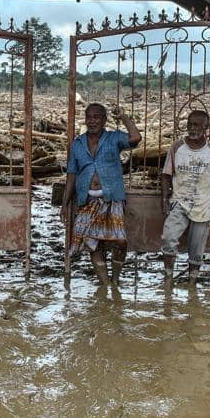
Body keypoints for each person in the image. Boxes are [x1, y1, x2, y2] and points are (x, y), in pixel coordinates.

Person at [61, 102, 141, 287]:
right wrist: (65, 204)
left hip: (112, 198)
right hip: (88, 200)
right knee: (92, 243)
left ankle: (115, 280)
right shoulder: (77, 144)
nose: (92, 121)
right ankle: (106, 284)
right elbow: (71, 175)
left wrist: (123, 116)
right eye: (89, 117)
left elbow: (136, 138)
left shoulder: (114, 139)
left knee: (120, 241)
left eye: (97, 117)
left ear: (104, 120)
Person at [160, 110, 210, 286]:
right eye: (190, 124)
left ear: (206, 127)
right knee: (169, 238)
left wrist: (207, 191)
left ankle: (192, 283)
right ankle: (168, 278)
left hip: (203, 205)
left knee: (196, 250)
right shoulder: (177, 147)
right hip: (179, 202)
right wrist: (164, 199)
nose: (192, 128)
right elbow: (166, 175)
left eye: (197, 125)